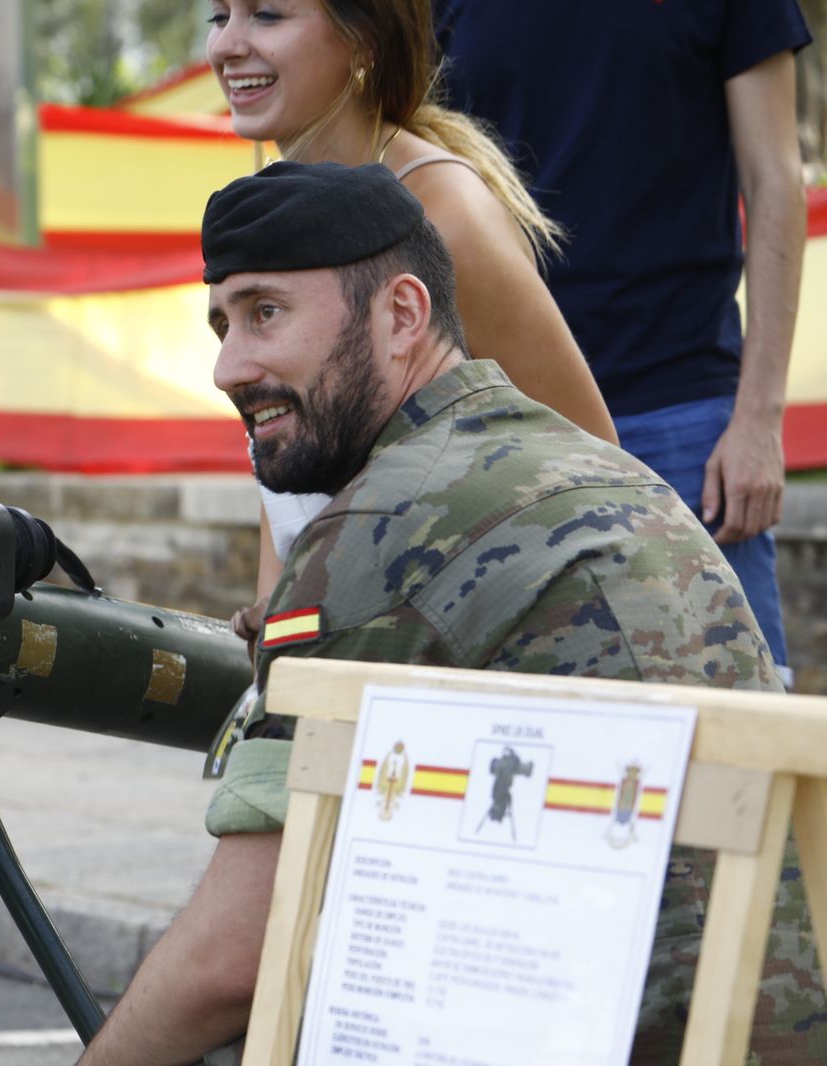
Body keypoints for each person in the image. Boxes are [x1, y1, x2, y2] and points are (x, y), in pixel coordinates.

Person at [77, 162, 815, 1066]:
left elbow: (231, 960)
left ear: (401, 315)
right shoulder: (596, 466)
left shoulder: (384, 524)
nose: (230, 366)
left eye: (266, 312)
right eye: (222, 325)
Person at [205, 0, 619, 649]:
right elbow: (283, 470)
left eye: (267, 15)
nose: (226, 45)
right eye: (218, 16)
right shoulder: (272, 203)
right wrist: (280, 615)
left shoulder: (449, 218)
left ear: (364, 38)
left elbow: (598, 473)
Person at [435, 1, 813, 685]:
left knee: (736, 720)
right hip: (503, 429)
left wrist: (760, 419)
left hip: (685, 419)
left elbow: (776, 179)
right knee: (519, 725)